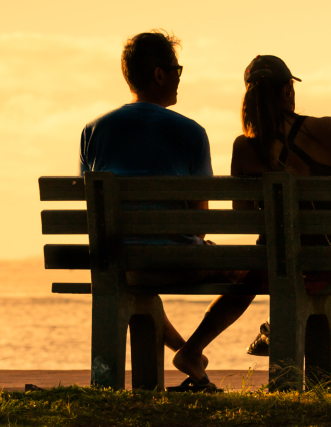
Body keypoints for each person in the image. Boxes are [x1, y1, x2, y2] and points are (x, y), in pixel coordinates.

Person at [80, 30, 239, 393]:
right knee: (253, 271)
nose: (179, 79)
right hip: (175, 261)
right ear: (159, 74)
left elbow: (94, 209)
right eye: (177, 70)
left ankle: (188, 355)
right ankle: (192, 351)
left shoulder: (93, 131)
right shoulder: (191, 132)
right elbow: (199, 222)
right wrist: (197, 243)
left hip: (117, 262)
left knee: (141, 279)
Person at [214, 54, 331, 377]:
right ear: (287, 90)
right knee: (314, 265)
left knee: (287, 262)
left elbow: (241, 214)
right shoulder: (327, 128)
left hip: (275, 265)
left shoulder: (244, 147)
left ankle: (284, 333)